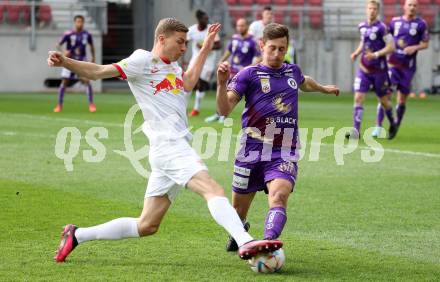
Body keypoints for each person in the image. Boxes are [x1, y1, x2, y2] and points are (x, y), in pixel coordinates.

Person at [48, 18, 282, 263]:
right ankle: (245, 240)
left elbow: (189, 82)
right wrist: (65, 61)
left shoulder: (172, 67)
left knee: (147, 225)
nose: (183, 48)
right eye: (180, 42)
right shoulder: (141, 61)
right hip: (170, 147)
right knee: (212, 189)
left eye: (185, 43)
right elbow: (98, 72)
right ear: (162, 39)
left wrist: (205, 47)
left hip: (167, 150)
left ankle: (77, 235)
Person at [215, 23, 339, 252]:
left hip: (284, 149)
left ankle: (268, 243)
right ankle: (239, 230)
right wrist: (222, 84)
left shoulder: (292, 71)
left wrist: (323, 88)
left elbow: (305, 82)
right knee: (237, 212)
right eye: (272, 48)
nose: (277, 53)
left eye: (282, 49)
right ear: (262, 45)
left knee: (279, 196)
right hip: (251, 149)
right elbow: (224, 110)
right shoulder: (248, 75)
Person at [373, 0, 429, 137]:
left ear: (417, 8)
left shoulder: (421, 24)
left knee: (402, 99)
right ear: (404, 6)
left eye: (415, 5)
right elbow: (386, 39)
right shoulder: (394, 22)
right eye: (409, 5)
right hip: (392, 65)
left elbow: (425, 43)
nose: (412, 7)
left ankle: (395, 125)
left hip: (408, 68)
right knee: (386, 95)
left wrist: (414, 47)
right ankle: (378, 126)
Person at [346, 0, 397, 140]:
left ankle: (393, 123)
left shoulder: (382, 28)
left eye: (374, 8)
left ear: (378, 11)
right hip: (364, 69)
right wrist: (356, 53)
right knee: (358, 97)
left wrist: (375, 54)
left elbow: (391, 47)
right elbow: (363, 41)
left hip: (379, 71)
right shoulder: (362, 26)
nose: (372, 11)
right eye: (370, 8)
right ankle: (356, 131)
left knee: (384, 100)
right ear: (366, 10)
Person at [205, 18, 261, 123]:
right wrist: (221, 60)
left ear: (247, 27)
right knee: (223, 91)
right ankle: (218, 114)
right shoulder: (234, 38)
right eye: (238, 26)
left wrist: (250, 66)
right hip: (231, 70)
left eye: (242, 26)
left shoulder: (252, 41)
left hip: (243, 73)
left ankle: (223, 115)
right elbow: (229, 51)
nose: (240, 28)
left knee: (236, 95)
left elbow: (259, 57)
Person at [54, 15, 96, 113]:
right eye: (77, 21)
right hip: (69, 60)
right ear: (74, 22)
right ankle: (59, 105)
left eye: (81, 22)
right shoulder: (68, 34)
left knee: (86, 80)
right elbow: (58, 45)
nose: (79, 23)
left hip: (82, 60)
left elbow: (91, 46)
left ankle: (91, 104)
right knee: (65, 81)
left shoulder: (87, 34)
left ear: (83, 23)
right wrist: (64, 52)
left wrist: (93, 57)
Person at [187, 10, 221, 117]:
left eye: (207, 18)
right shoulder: (192, 30)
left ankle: (196, 109)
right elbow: (184, 42)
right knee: (188, 82)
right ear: (199, 19)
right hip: (195, 59)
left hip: (208, 62)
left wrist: (205, 47)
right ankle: (183, 107)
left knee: (201, 83)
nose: (207, 20)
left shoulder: (211, 29)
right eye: (205, 19)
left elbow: (218, 45)